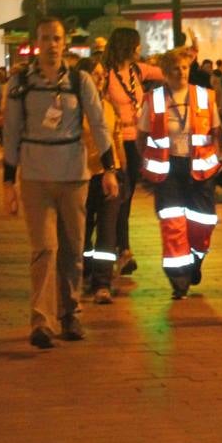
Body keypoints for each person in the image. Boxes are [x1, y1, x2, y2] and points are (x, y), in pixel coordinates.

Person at [2, 17, 120, 347]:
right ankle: (41, 320)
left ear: (64, 42)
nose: (51, 44)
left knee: (72, 248)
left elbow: (99, 125)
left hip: (73, 177)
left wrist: (109, 169)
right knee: (44, 248)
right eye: (45, 38)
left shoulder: (80, 81)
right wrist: (8, 182)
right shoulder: (20, 83)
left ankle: (70, 313)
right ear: (36, 42)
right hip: (36, 177)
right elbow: (11, 132)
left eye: (56, 38)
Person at [138, 47, 222, 299]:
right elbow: (141, 137)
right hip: (168, 170)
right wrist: (150, 160)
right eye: (175, 68)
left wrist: (213, 157)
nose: (181, 72)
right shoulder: (154, 99)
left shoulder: (205, 96)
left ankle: (195, 259)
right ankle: (179, 279)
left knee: (203, 222)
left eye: (185, 67)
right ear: (165, 73)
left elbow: (216, 132)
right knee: (173, 224)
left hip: (200, 168)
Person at [103, 27, 164, 278]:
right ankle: (121, 248)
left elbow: (166, 71)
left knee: (127, 196)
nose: (140, 49)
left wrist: (189, 53)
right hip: (115, 141)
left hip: (136, 140)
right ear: (128, 45)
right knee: (119, 195)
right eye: (137, 44)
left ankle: (123, 248)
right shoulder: (106, 75)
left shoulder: (137, 70)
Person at [76, 58, 125, 304]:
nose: (100, 78)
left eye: (102, 75)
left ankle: (102, 283)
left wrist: (120, 169)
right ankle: (83, 271)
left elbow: (115, 137)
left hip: (109, 176)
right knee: (82, 232)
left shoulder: (108, 106)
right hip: (81, 177)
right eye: (94, 74)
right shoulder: (73, 107)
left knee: (107, 231)